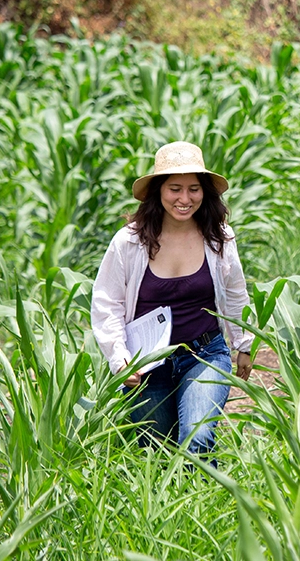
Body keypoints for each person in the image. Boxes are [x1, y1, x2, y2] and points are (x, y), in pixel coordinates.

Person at [91, 141, 254, 456]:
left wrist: (244, 344)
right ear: (158, 192)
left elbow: (235, 293)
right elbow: (106, 303)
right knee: (156, 451)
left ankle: (205, 504)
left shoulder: (219, 237)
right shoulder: (129, 242)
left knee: (197, 440)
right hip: (148, 361)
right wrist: (119, 358)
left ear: (205, 192)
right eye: (175, 189)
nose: (185, 199)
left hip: (205, 352)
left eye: (194, 189)